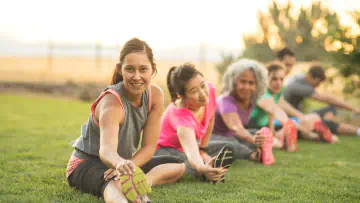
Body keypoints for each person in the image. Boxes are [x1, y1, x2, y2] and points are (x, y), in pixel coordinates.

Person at [66, 38, 184, 203]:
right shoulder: (112, 103)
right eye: (130, 69)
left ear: (153, 70)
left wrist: (129, 169)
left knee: (178, 164)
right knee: (113, 184)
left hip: (122, 163)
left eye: (143, 69)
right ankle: (125, 190)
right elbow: (106, 151)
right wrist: (120, 165)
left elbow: (149, 147)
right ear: (120, 69)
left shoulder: (155, 95)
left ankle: (141, 183)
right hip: (87, 163)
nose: (137, 76)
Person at [156, 63, 234, 182]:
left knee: (229, 145)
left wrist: (203, 149)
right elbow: (191, 152)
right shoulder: (180, 117)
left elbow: (210, 118)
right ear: (181, 96)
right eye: (193, 91)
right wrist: (203, 168)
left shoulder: (210, 90)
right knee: (188, 163)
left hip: (192, 145)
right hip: (166, 149)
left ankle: (253, 154)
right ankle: (207, 173)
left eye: (203, 85)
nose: (203, 94)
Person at [248, 62, 336, 147]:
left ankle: (315, 136)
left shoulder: (276, 92)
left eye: (281, 79)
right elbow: (275, 111)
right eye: (274, 79)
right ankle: (312, 136)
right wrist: (294, 125)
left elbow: (273, 114)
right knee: (278, 142)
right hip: (252, 129)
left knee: (306, 120)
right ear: (266, 79)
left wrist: (274, 132)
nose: (278, 83)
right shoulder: (262, 94)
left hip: (266, 127)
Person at [211, 59, 275, 165]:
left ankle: (262, 149)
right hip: (212, 139)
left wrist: (257, 137)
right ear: (234, 82)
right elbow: (236, 127)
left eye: (251, 83)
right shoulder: (225, 101)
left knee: (255, 132)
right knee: (231, 144)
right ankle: (253, 155)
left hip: (232, 136)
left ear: (257, 85)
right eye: (243, 82)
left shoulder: (252, 100)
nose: (246, 87)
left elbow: (273, 108)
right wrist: (252, 139)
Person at [284, 65, 360, 139]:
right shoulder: (300, 87)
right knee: (326, 122)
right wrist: (353, 108)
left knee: (331, 109)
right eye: (317, 82)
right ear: (310, 76)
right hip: (292, 119)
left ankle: (325, 125)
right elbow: (328, 99)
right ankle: (355, 131)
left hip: (299, 116)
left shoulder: (300, 79)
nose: (317, 86)